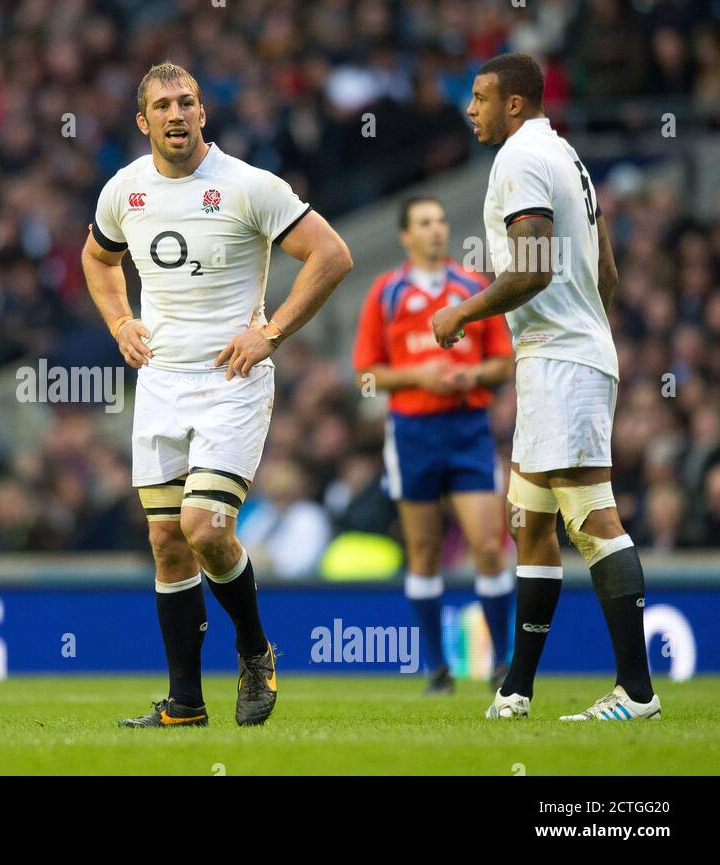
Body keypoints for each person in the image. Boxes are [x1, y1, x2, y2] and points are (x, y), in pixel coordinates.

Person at [82, 63, 352, 727]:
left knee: (205, 527)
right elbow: (97, 257)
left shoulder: (247, 186)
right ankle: (185, 704)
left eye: (188, 102)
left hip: (231, 380)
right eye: (163, 106)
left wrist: (272, 331)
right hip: (161, 383)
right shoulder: (124, 191)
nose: (177, 114)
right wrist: (120, 321)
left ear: (203, 112)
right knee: (167, 538)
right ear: (142, 122)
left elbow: (332, 254)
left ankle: (256, 647)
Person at [433, 54, 660, 721]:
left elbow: (530, 270)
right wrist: (582, 327)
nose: (469, 109)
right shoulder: (567, 156)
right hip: (557, 356)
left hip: (562, 359)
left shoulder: (522, 159)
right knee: (529, 522)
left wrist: (462, 312)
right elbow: (606, 269)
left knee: (591, 518)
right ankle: (516, 689)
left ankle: (638, 693)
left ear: (514, 103)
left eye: (479, 97)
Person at [353, 196, 514, 694]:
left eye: (442, 220)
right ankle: (437, 667)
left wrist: (471, 375)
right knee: (422, 552)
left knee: (488, 548)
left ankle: (502, 664)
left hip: (467, 429)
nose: (437, 229)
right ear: (405, 235)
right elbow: (365, 378)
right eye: (424, 222)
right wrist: (416, 375)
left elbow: (504, 364)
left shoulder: (473, 289)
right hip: (413, 433)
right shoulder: (387, 293)